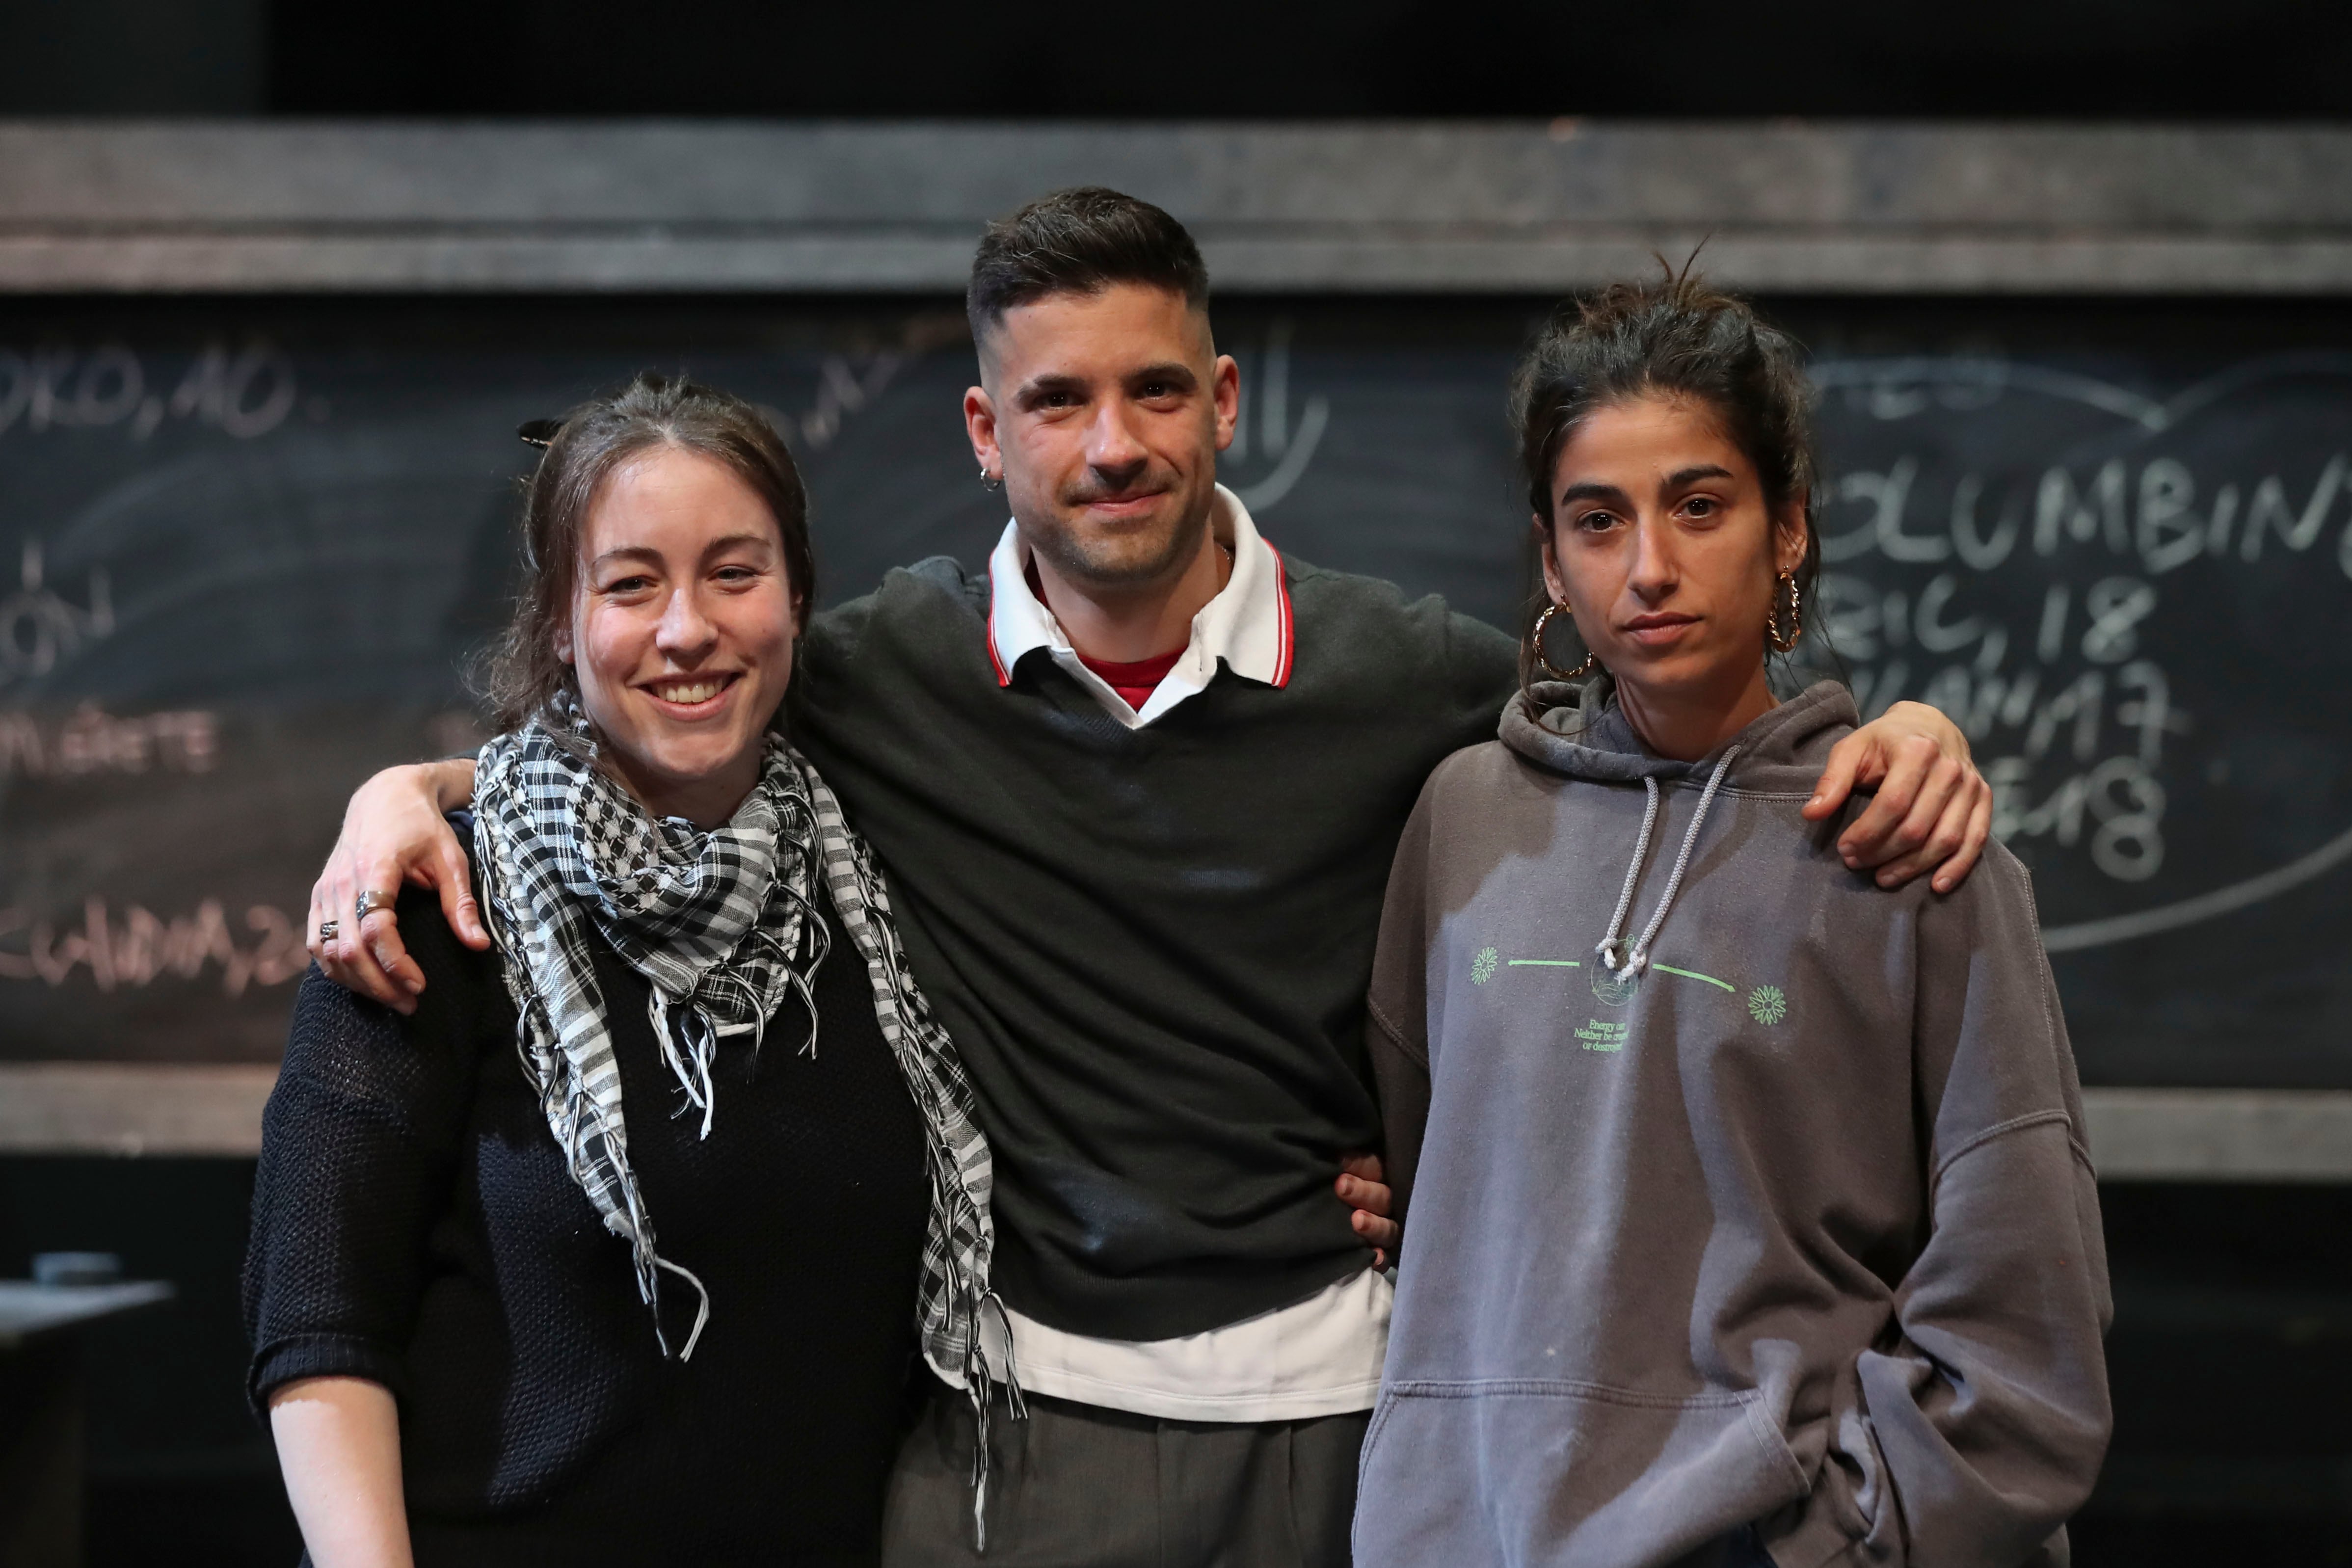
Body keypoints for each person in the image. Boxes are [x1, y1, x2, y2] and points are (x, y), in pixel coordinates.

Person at [298, 191, 1995, 1567]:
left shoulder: (1416, 676)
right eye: (1057, 399)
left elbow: (1666, 740)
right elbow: (662, 710)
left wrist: (1904, 723)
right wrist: (416, 787)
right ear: (984, 427)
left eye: (1156, 390)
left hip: (1354, 1426)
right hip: (1015, 1433)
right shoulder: (878, 675)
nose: (1112, 444)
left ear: (1226, 399)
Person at [1357, 272, 2111, 1568]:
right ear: (1548, 556)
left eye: (1699, 506)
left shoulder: (1915, 846)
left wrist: (1814, 1541)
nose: (1650, 565)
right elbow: (1428, 1199)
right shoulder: (1464, 816)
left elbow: (2024, 1347)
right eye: (1599, 519)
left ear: (1789, 530)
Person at [243, 375, 999, 1567]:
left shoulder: (881, 889)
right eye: (630, 582)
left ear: (799, 600)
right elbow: (317, 1307)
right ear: (560, 621)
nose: (686, 627)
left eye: (734, 572)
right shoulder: (437, 900)